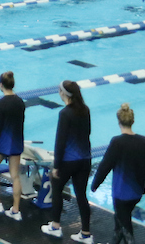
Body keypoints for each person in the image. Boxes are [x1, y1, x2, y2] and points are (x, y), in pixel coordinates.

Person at [91, 103, 145, 244]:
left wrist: (95, 184)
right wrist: (142, 189)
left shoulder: (117, 142)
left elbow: (105, 165)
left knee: (126, 228)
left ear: (119, 122)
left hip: (121, 193)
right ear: (133, 121)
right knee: (119, 224)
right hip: (136, 192)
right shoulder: (143, 141)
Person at [42, 81, 93, 241]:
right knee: (81, 196)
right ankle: (86, 234)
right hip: (85, 159)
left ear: (63, 93)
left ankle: (55, 226)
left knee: (56, 189)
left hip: (68, 161)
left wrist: (56, 166)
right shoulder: (85, 110)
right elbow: (88, 132)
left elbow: (60, 141)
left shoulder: (65, 113)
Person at [0, 71, 25, 220]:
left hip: (2, 143)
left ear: (1, 85)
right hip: (16, 141)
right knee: (15, 176)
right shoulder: (20, 102)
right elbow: (18, 121)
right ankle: (15, 210)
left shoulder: (0, 104)